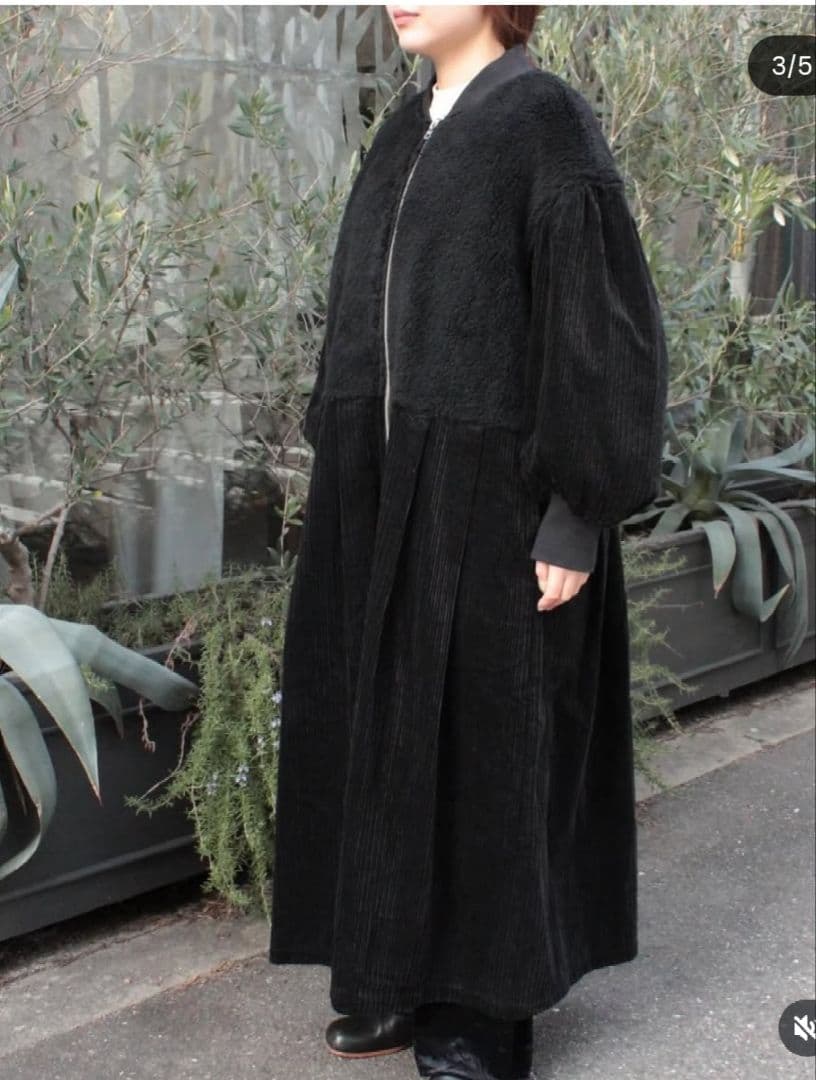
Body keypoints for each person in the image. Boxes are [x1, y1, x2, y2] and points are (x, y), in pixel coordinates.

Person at [268, 6, 670, 1079]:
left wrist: (577, 511)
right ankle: (390, 976)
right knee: (383, 742)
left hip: (493, 502)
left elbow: (602, 328)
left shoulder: (545, 121)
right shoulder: (409, 126)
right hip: (380, 492)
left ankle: (481, 1015)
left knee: (487, 757)